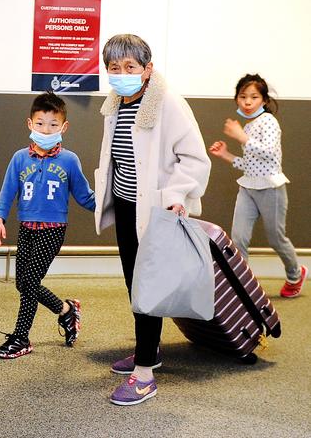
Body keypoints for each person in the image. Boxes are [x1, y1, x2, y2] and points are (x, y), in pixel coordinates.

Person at [94, 34, 211, 405]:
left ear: (148, 69)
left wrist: (176, 195)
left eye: (130, 66)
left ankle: (144, 374)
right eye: (114, 67)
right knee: (136, 284)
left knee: (149, 286)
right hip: (129, 206)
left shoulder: (168, 104)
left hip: (157, 210)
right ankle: (151, 349)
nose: (122, 73)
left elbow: (195, 158)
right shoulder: (114, 103)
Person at [0, 92, 95, 359]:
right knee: (22, 284)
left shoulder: (69, 160)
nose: (45, 130)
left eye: (52, 124)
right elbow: (6, 191)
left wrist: (111, 207)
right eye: (40, 123)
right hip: (26, 227)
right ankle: (66, 310)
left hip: (52, 229)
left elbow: (85, 195)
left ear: (64, 127)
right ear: (29, 124)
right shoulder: (19, 158)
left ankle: (21, 337)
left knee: (30, 281)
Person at [209, 73, 307, 298]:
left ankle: (295, 273)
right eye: (243, 97)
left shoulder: (269, 122)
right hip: (248, 187)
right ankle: (241, 286)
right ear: (237, 100)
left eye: (253, 97)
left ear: (264, 100)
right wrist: (226, 154)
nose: (247, 102)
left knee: (276, 238)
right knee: (238, 238)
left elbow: (270, 153)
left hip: (271, 188)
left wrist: (241, 137)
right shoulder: (250, 126)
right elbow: (251, 164)